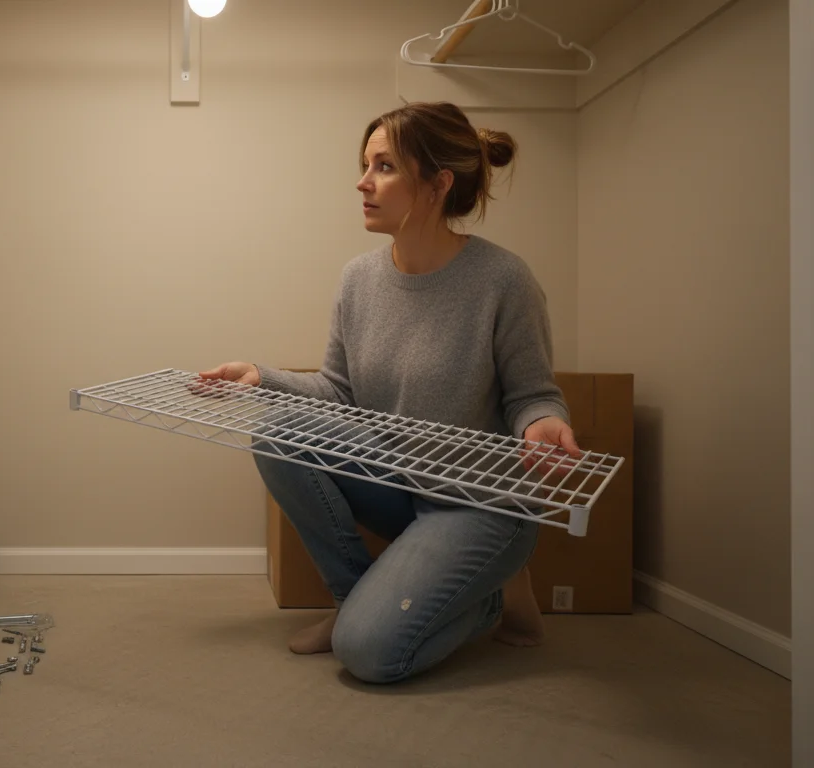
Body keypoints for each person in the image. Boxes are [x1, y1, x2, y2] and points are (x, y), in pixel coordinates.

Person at [198, 101, 581, 685]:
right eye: (365, 163)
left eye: (383, 166)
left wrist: (539, 424)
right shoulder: (359, 278)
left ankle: (487, 599)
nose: (362, 180)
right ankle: (354, 599)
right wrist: (260, 375)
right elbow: (339, 391)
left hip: (476, 500)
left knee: (370, 655)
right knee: (277, 430)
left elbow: (532, 393)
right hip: (397, 478)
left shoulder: (503, 280)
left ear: (436, 184)